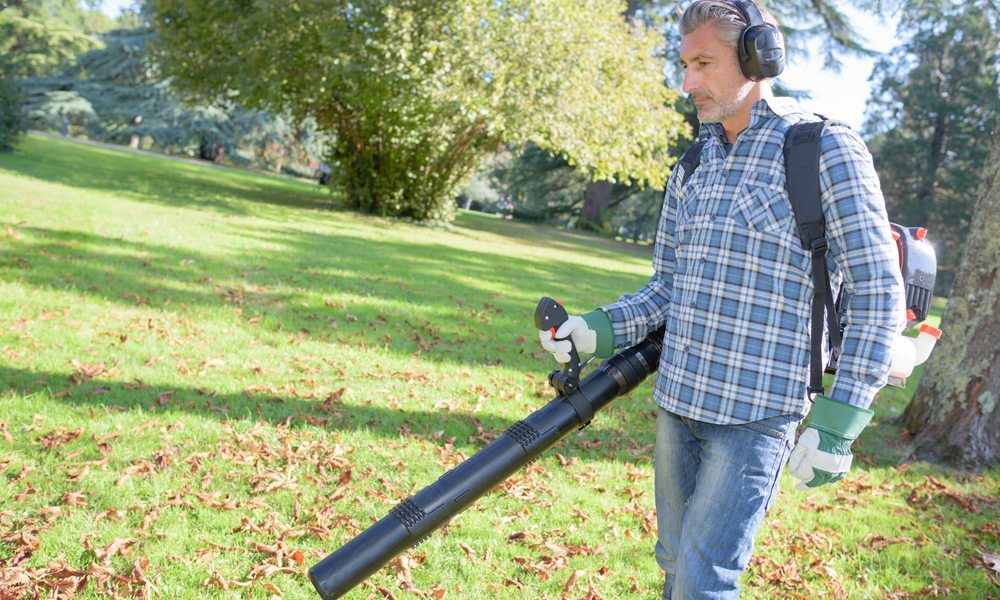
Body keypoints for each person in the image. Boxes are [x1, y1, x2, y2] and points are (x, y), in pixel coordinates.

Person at [538, 1, 905, 597]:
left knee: (705, 579)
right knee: (675, 566)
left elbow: (877, 288)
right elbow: (667, 287)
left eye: (703, 62)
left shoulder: (821, 149)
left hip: (757, 414)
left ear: (758, 57)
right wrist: (594, 329)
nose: (688, 83)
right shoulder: (694, 163)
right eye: (684, 64)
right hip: (678, 401)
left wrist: (841, 422)